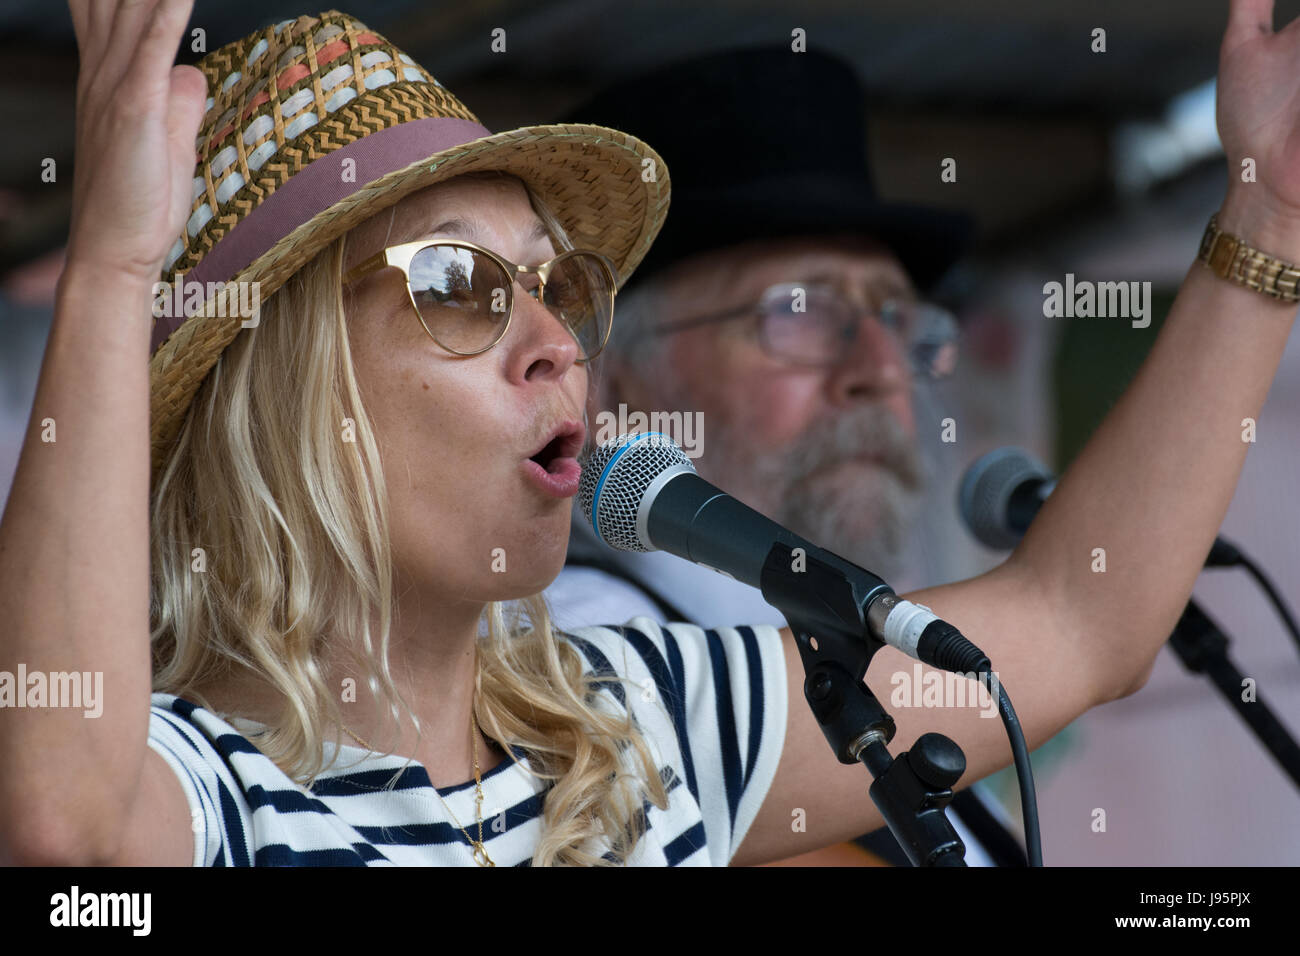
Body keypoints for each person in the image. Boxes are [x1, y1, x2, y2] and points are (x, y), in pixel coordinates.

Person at [1, 0, 1297, 868]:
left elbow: (1082, 620)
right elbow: (61, 828)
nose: (559, 340)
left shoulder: (635, 727)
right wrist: (118, 267)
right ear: (287, 401)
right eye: (460, 287)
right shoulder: (207, 789)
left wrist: (1268, 221)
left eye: (557, 283)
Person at [543, 46, 1023, 867]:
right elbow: (1093, 627)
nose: (878, 371)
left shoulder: (866, 662)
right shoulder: (580, 644)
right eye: (802, 313)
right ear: (614, 384)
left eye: (899, 321)